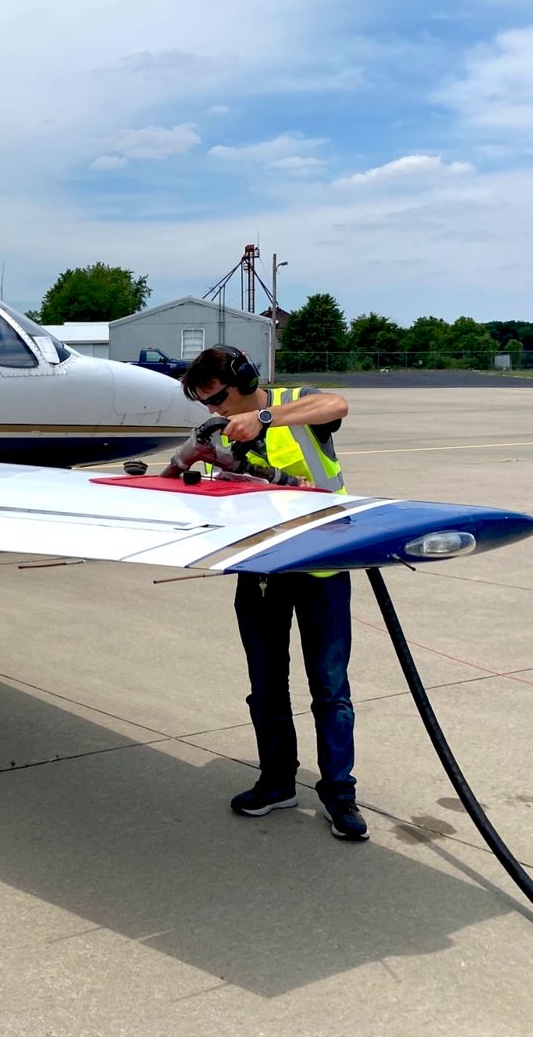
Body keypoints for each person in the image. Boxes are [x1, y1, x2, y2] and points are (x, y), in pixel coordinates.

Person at [179, 344, 368, 841]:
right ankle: (278, 780)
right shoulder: (218, 427)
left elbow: (337, 406)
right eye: (205, 405)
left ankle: (339, 794)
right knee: (265, 685)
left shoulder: (291, 401)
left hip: (322, 563)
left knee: (330, 688)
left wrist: (264, 418)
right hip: (261, 566)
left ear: (243, 378)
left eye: (217, 399)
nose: (214, 411)